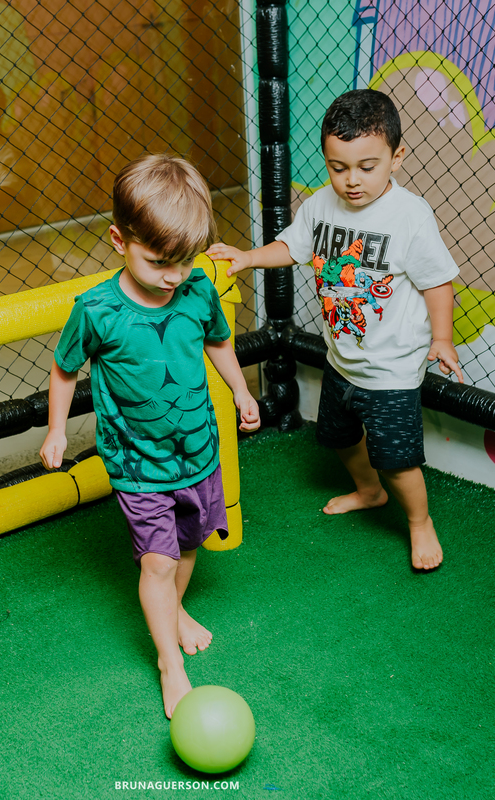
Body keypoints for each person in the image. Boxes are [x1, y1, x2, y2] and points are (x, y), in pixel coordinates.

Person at [41, 154, 261, 718]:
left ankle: (174, 610)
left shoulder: (197, 292)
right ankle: (170, 662)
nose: (174, 275)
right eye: (160, 261)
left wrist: (240, 391)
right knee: (157, 563)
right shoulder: (96, 311)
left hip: (198, 453)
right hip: (138, 464)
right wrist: (56, 431)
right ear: (119, 239)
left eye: (185, 261)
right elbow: (66, 369)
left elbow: (217, 344)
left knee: (187, 548)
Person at [207, 89, 462, 571]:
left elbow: (437, 283)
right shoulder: (321, 205)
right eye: (337, 166)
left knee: (397, 459)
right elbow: (292, 247)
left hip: (391, 369)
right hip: (342, 358)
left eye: (367, 167)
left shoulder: (410, 216)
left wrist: (442, 338)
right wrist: (246, 258)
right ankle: (369, 492)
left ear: (397, 156)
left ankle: (418, 522)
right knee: (339, 436)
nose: (351, 181)